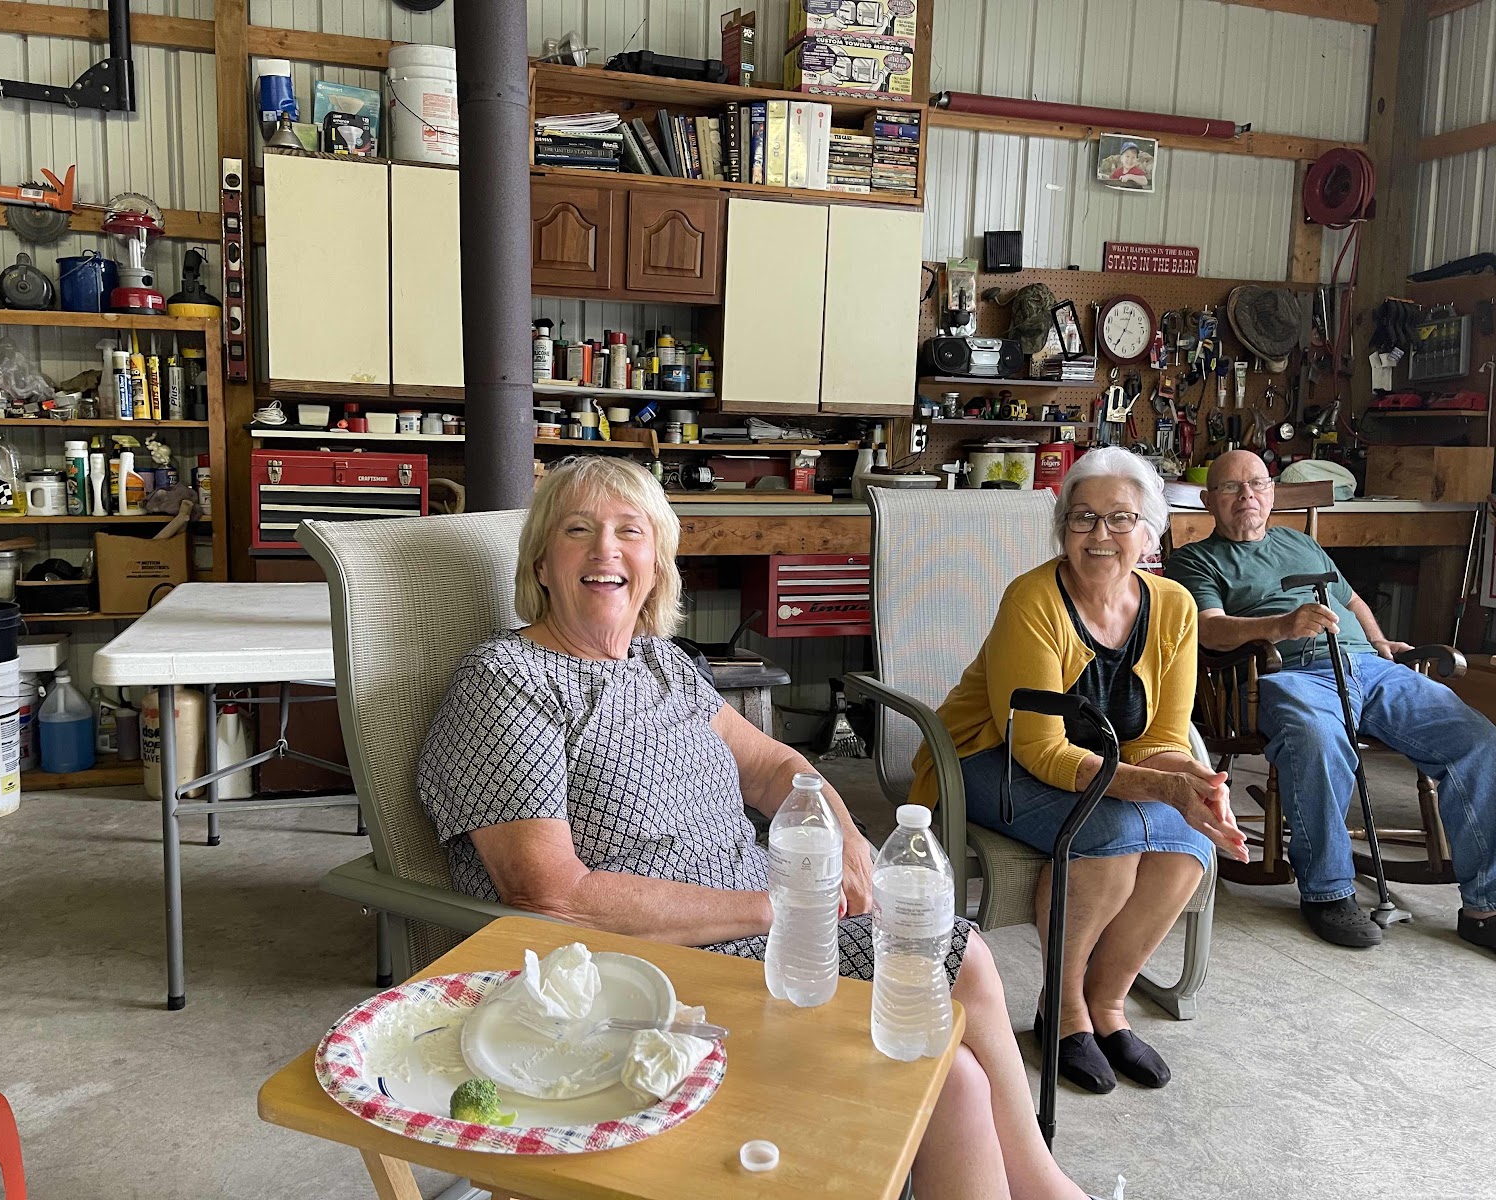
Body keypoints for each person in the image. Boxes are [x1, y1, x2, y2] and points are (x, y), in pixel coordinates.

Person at [418, 456, 1089, 1200]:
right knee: (951, 1047)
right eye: (579, 530)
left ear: (656, 565)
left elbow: (775, 768)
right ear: (542, 564)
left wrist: (848, 838)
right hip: (642, 974)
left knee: (960, 1003)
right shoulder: (508, 680)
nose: (606, 548)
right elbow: (551, 894)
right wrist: (777, 908)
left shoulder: (660, 663)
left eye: (630, 532)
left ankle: (1044, 1187)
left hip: (762, 932)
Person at [911, 447, 1247, 1095]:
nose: (1100, 534)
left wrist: (1199, 790)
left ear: (1150, 533)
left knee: (1188, 841)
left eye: (1121, 518)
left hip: (1105, 766)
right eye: (1083, 517)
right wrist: (1161, 787)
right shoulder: (1033, 599)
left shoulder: (1174, 607)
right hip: (986, 758)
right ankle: (1062, 1013)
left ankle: (1107, 1004)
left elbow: (1163, 739)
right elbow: (1039, 749)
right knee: (1110, 835)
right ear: (1063, 528)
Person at [1163, 450, 1496, 952]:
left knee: (1476, 738)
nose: (1247, 495)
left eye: (1257, 484)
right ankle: (1328, 892)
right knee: (1317, 739)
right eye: (1231, 487)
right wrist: (1282, 625)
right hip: (1283, 673)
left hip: (1368, 667)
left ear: (1272, 493)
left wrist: (1380, 643)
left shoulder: (1300, 542)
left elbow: (1351, 600)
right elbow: (1208, 629)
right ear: (1209, 501)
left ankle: (1485, 908)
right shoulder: (1195, 560)